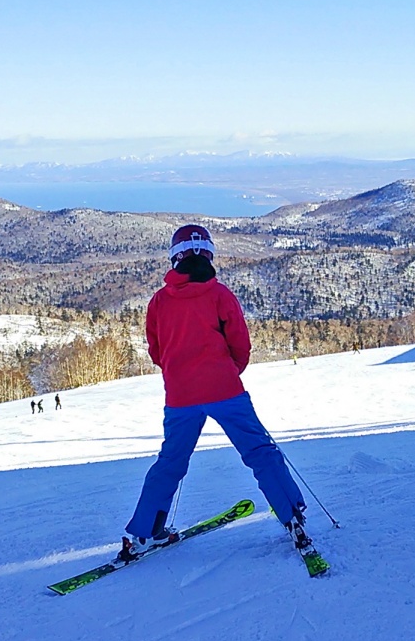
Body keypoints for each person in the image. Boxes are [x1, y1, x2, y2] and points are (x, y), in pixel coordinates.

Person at [120, 224, 308, 561]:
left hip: (180, 397)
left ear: (175, 258)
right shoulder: (219, 295)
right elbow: (240, 345)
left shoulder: (160, 301)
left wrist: (181, 374)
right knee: (260, 452)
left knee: (171, 462)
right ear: (208, 254)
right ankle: (292, 516)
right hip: (225, 390)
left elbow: (156, 350)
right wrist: (225, 373)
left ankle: (143, 534)